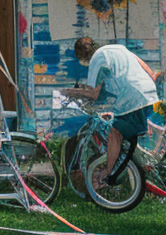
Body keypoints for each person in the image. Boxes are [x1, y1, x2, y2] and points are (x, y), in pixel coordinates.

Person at [65, 37, 158, 185]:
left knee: (115, 133)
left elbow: (93, 93)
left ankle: (108, 175)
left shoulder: (96, 58)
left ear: (83, 57)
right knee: (129, 134)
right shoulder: (118, 48)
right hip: (148, 91)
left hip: (131, 97)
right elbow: (145, 68)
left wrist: (72, 92)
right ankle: (137, 173)